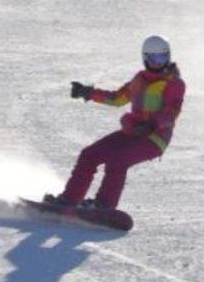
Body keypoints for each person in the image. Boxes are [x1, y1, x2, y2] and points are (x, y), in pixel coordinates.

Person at [45, 35, 186, 210]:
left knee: (117, 161)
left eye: (162, 58)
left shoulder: (175, 84)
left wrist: (152, 125)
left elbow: (171, 111)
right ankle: (68, 200)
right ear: (145, 58)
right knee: (89, 155)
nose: (158, 63)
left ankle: (104, 205)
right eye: (154, 58)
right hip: (133, 132)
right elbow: (117, 98)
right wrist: (88, 93)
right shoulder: (139, 80)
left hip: (154, 139)